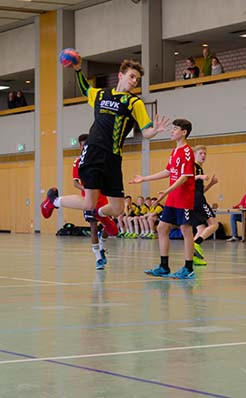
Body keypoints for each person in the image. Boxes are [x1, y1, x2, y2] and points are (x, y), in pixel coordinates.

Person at [40, 58, 170, 232]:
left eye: (137, 79)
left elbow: (146, 131)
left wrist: (155, 130)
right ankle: (53, 201)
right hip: (94, 150)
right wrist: (78, 69)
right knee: (89, 202)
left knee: (117, 209)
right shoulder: (101, 94)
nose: (134, 81)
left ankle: (100, 214)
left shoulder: (135, 103)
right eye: (131, 76)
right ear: (120, 75)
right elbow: (86, 89)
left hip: (113, 157)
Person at [131, 119, 197, 280]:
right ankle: (164, 266)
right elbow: (168, 172)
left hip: (184, 197)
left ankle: (188, 267)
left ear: (184, 132)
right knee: (161, 228)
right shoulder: (174, 152)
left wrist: (166, 191)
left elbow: (184, 178)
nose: (171, 131)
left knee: (186, 230)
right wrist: (145, 178)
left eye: (175, 129)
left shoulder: (187, 152)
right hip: (173, 197)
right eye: (172, 129)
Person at [72, 133, 114, 270]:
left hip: (103, 198)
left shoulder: (99, 158)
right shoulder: (78, 162)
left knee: (110, 226)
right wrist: (88, 188)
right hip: (89, 199)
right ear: (80, 146)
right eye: (83, 145)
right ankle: (98, 258)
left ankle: (102, 245)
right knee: (93, 226)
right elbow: (75, 183)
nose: (85, 147)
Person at [190, 145, 219, 266]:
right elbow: (186, 179)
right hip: (197, 201)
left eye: (205, 153)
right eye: (201, 153)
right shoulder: (193, 166)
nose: (203, 156)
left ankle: (192, 256)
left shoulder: (200, 168)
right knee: (214, 225)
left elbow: (200, 190)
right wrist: (199, 176)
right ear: (195, 155)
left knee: (201, 229)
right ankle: (196, 243)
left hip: (194, 199)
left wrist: (211, 184)